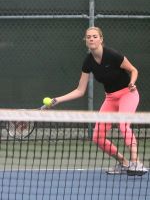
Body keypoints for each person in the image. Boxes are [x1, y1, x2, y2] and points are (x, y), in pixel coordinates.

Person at [49, 26, 148, 175]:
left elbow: (134, 70)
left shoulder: (113, 55)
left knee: (123, 124)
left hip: (128, 94)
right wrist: (57, 99)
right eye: (88, 37)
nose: (91, 39)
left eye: (95, 36)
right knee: (97, 137)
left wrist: (132, 83)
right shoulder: (88, 62)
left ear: (101, 39)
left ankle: (136, 163)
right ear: (85, 41)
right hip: (111, 98)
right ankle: (124, 163)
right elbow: (80, 90)